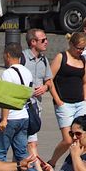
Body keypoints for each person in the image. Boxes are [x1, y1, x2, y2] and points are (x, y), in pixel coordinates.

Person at [0, 43, 47, 171]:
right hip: (24, 116)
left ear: (7, 55)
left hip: (10, 118)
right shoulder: (27, 72)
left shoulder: (7, 74)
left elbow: (6, 98)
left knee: (0, 153)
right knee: (22, 152)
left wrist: (4, 119)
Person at [46, 32, 86, 168]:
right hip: (64, 104)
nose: (80, 51)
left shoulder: (83, 60)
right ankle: (52, 161)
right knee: (68, 139)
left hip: (80, 103)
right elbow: (49, 79)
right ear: (71, 44)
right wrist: (58, 100)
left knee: (81, 137)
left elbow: (85, 81)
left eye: (83, 48)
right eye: (78, 48)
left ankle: (76, 165)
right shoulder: (61, 57)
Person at [21, 27, 52, 163]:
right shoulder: (22, 58)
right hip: (22, 107)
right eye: (43, 40)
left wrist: (45, 87)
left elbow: (49, 81)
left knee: (26, 142)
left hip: (36, 108)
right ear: (33, 42)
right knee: (29, 142)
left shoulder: (44, 60)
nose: (47, 42)